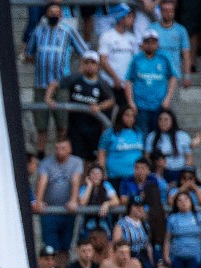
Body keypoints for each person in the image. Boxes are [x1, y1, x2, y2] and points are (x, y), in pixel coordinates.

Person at [24, 2, 90, 157]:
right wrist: (43, 61)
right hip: (40, 84)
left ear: (61, 14)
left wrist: (76, 76)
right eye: (51, 12)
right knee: (41, 126)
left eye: (56, 12)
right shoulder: (38, 31)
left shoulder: (68, 31)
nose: (54, 14)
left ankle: (61, 155)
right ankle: (41, 156)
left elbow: (85, 52)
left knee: (62, 125)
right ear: (46, 14)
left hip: (61, 86)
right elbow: (29, 53)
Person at [46, 52, 114, 163]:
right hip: (75, 127)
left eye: (93, 63)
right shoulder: (75, 78)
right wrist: (48, 98)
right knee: (75, 157)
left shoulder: (102, 83)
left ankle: (86, 179)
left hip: (93, 128)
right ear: (83, 64)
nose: (90, 66)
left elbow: (111, 100)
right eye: (87, 63)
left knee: (90, 159)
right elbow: (54, 84)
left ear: (98, 66)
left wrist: (99, 106)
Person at [32, 139, 83, 264]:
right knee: (51, 249)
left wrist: (73, 201)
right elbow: (42, 180)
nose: (59, 151)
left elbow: (76, 180)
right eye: (57, 148)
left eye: (63, 148)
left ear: (70, 149)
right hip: (50, 210)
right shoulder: (46, 163)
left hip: (67, 210)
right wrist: (38, 201)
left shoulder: (76, 162)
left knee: (66, 247)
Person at [125, 29, 177, 134]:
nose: (150, 45)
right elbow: (129, 81)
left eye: (153, 42)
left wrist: (168, 98)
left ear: (157, 44)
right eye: (147, 42)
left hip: (159, 105)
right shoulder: (136, 59)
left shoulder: (164, 58)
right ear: (142, 44)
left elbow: (173, 77)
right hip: (141, 105)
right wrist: (131, 102)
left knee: (158, 135)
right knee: (142, 133)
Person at [97, 4, 139, 115]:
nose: (133, 20)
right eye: (130, 17)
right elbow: (103, 60)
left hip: (126, 85)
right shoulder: (107, 36)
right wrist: (115, 78)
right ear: (121, 18)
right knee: (107, 114)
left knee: (124, 115)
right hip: (109, 83)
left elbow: (135, 61)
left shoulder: (132, 38)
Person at [97, 107, 145, 190]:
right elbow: (101, 152)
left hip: (134, 178)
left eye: (132, 116)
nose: (130, 118)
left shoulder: (138, 132)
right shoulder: (110, 133)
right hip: (115, 176)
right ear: (120, 116)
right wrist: (102, 171)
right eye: (127, 115)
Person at [150, 0, 191, 92]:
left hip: (174, 75)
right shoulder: (152, 29)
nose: (168, 13)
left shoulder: (181, 30)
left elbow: (186, 55)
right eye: (165, 10)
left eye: (170, 11)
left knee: (173, 106)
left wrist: (187, 75)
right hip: (155, 75)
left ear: (174, 12)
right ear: (160, 11)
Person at [145, 110, 194, 183]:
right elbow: (147, 157)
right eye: (160, 119)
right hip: (159, 172)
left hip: (179, 171)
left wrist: (185, 175)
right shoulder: (152, 136)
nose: (163, 122)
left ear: (172, 121)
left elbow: (189, 157)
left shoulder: (183, 136)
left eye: (166, 119)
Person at [77, 164, 119, 239]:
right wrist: (89, 186)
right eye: (93, 173)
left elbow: (116, 200)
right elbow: (82, 203)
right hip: (88, 222)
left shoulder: (106, 185)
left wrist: (107, 204)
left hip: (104, 221)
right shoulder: (84, 188)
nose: (95, 176)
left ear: (102, 176)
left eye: (98, 173)